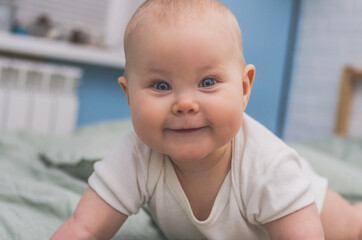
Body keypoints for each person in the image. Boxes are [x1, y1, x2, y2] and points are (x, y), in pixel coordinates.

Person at [52, 0, 362, 239]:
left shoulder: (269, 166)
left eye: (208, 82)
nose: (185, 104)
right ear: (129, 94)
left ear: (243, 88)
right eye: (161, 86)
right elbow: (84, 228)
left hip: (317, 218)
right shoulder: (136, 156)